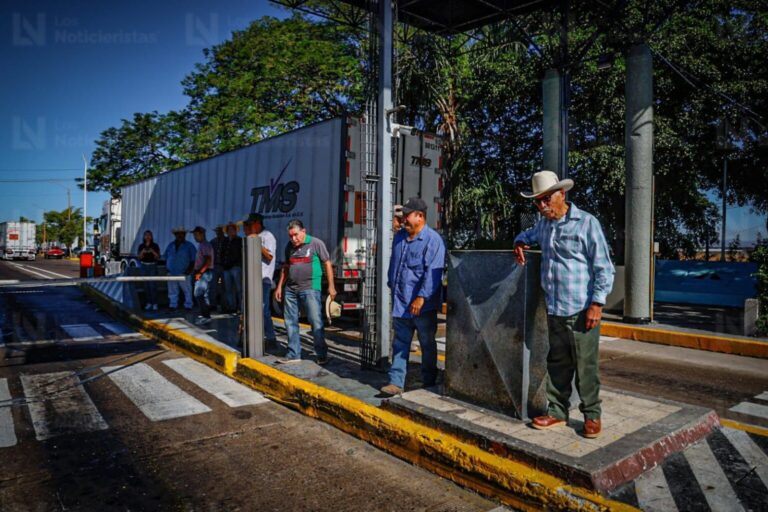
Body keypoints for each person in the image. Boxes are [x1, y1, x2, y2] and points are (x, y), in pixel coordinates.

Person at [513, 170, 614, 439]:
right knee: (557, 362)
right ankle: (557, 412)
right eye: (538, 201)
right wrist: (519, 242)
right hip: (555, 308)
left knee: (585, 366)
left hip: (581, 308)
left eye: (546, 199)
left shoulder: (586, 223)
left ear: (562, 194)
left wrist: (597, 303)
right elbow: (528, 234)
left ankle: (592, 415)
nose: (542, 205)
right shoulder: (544, 225)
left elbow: (604, 267)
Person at [380, 197, 446, 397]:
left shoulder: (432, 240)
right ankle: (395, 382)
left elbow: (433, 273)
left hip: (421, 305)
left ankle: (428, 380)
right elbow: (395, 265)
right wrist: (391, 285)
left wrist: (421, 298)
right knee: (400, 342)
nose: (404, 219)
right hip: (401, 302)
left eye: (407, 215)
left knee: (427, 342)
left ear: (420, 217)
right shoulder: (400, 237)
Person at [274, 219, 336, 364]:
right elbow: (286, 266)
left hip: (310, 288)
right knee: (290, 321)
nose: (293, 239)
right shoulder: (289, 246)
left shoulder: (316, 243)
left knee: (315, 321)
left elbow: (327, 263)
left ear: (303, 231)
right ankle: (293, 353)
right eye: (290, 236)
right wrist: (279, 287)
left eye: (296, 235)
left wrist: (331, 286)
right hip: (291, 289)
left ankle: (321, 354)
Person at [242, 213, 278, 346]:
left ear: (258, 223)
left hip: (264, 278)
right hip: (252, 278)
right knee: (249, 309)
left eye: (251, 224)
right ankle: (252, 336)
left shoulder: (268, 236)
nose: (250, 227)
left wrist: (256, 242)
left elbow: (269, 257)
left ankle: (270, 337)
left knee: (263, 309)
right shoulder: (253, 236)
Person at [164, 226, 197, 311]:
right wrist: (166, 268)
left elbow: (193, 260)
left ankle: (188, 305)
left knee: (187, 290)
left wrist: (189, 270)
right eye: (178, 234)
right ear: (175, 235)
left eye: (182, 233)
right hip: (171, 272)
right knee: (172, 291)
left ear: (185, 235)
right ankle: (173, 305)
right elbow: (166, 257)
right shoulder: (170, 245)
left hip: (184, 272)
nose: (180, 235)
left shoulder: (190, 246)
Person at [191, 226, 215, 325]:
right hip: (204, 272)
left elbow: (208, 260)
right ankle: (205, 315)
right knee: (204, 296)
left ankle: (206, 316)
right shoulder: (202, 245)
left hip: (204, 273)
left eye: (196, 235)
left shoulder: (205, 245)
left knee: (199, 294)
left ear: (201, 234)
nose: (195, 237)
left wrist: (200, 273)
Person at [222, 222, 243, 314]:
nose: (231, 231)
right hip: (226, 268)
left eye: (232, 229)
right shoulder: (225, 241)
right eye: (229, 230)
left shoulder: (239, 240)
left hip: (236, 267)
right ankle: (232, 307)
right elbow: (222, 253)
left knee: (239, 288)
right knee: (228, 289)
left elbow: (240, 254)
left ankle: (241, 307)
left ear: (235, 230)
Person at [137, 230, 161, 311]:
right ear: (143, 237)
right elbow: (139, 258)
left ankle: (155, 303)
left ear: (151, 236)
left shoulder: (155, 245)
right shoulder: (141, 246)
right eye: (146, 235)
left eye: (149, 235)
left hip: (152, 266)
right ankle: (149, 303)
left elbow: (158, 257)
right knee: (146, 286)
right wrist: (143, 252)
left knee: (152, 285)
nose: (147, 237)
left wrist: (152, 251)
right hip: (144, 266)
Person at [210, 226, 228, 312]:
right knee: (214, 286)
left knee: (223, 286)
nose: (218, 233)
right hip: (215, 266)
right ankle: (213, 304)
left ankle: (224, 305)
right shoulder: (213, 242)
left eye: (220, 231)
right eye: (217, 231)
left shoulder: (227, 241)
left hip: (224, 267)